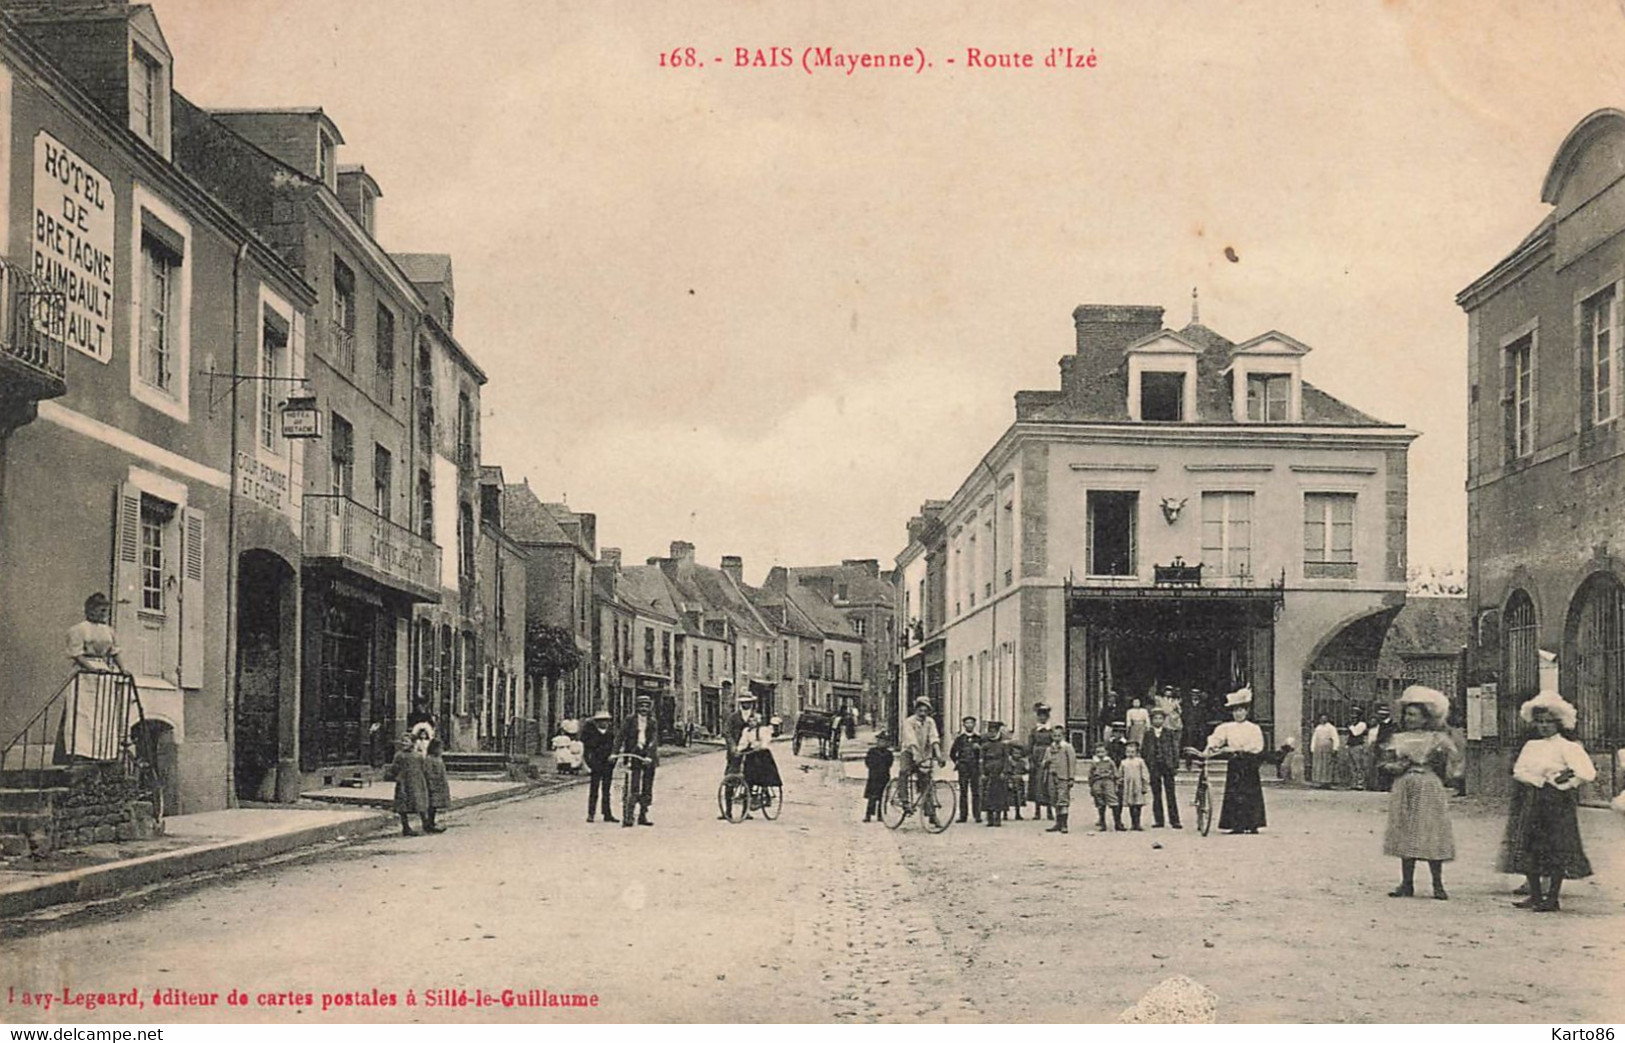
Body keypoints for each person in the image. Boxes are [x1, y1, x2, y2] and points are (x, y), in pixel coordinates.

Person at [1502, 691, 1596, 912]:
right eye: (1540, 722)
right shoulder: (1531, 746)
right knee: (1530, 845)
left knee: (1556, 847)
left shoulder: (1568, 747)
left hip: (1558, 802)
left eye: (1549, 722)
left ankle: (1552, 897)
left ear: (1559, 723)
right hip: (1534, 797)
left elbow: (1586, 772)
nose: (1544, 726)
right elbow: (1519, 770)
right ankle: (1535, 895)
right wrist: (1538, 780)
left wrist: (1564, 782)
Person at [1379, 686, 1462, 899]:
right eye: (1407, 714)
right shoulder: (1398, 739)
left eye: (1414, 715)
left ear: (1426, 718)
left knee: (1431, 830)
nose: (1409, 718)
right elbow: (1384, 764)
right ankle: (1406, 883)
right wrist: (1398, 766)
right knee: (1407, 830)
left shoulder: (1437, 739)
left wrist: (1439, 760)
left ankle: (1438, 883)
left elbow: (1454, 763)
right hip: (1405, 785)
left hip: (1428, 785)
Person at [62, 593, 130, 761]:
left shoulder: (108, 631)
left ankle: (102, 752)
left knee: (103, 712)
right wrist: (91, 668)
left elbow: (115, 651)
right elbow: (77, 654)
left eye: (105, 611)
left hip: (104, 673)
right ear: (90, 610)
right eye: (100, 611)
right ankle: (81, 751)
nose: (103, 615)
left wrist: (123, 669)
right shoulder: (79, 629)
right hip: (85, 673)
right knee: (84, 713)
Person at [1204, 687, 1266, 834]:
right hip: (1235, 763)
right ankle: (1236, 824)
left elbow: (1257, 746)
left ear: (1246, 712)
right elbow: (1216, 739)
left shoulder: (1254, 728)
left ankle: (1252, 824)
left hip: (1249, 762)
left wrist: (1238, 749)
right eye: (1235, 711)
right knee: (1235, 793)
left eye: (1241, 711)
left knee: (1251, 792)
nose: (1238, 714)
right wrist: (1212, 747)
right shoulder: (1227, 727)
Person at [616, 694, 660, 827]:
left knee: (647, 786)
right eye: (641, 706)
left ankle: (643, 814)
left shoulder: (652, 721)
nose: (644, 709)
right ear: (636, 707)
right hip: (633, 754)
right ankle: (629, 815)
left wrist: (649, 755)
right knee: (632, 785)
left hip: (648, 756)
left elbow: (653, 740)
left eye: (647, 706)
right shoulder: (629, 720)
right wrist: (614, 753)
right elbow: (620, 736)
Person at [718, 686, 755, 820]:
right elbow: (727, 732)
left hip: (751, 753)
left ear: (752, 703)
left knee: (749, 781)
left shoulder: (756, 717)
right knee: (730, 780)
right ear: (740, 703)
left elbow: (761, 733)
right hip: (734, 754)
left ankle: (746, 811)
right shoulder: (733, 717)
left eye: (748, 702)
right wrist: (732, 747)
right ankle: (727, 811)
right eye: (744, 702)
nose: (746, 704)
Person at [737, 709, 782, 819]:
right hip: (751, 755)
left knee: (765, 776)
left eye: (754, 720)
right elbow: (743, 742)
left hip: (762, 756)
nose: (752, 722)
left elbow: (765, 742)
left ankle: (766, 795)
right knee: (748, 779)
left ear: (758, 721)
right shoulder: (747, 731)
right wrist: (738, 750)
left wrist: (761, 746)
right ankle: (746, 809)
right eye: (750, 720)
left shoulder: (763, 730)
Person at [385, 731, 431, 837]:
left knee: (420, 803)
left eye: (406, 741)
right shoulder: (399, 755)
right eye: (402, 741)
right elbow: (394, 768)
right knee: (403, 805)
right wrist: (393, 776)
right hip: (404, 782)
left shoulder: (418, 756)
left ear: (413, 743)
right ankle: (406, 827)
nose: (403, 743)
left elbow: (423, 768)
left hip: (416, 782)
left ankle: (426, 823)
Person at [1142, 708, 1182, 829]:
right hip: (1154, 766)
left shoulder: (1169, 733)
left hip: (1167, 765)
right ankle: (1159, 820)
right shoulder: (1148, 734)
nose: (1158, 721)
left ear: (1164, 720)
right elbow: (1144, 750)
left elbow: (1175, 749)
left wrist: (1175, 764)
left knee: (1171, 793)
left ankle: (1175, 820)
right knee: (1156, 793)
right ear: (1151, 720)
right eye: (1155, 718)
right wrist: (1147, 765)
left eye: (1160, 718)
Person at [898, 698, 943, 803]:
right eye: (920, 710)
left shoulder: (930, 722)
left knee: (926, 780)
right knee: (904, 771)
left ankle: (930, 813)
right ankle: (903, 798)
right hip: (909, 752)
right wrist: (916, 755)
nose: (923, 714)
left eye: (925, 711)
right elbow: (911, 739)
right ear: (916, 710)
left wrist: (939, 755)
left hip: (924, 753)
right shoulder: (909, 722)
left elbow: (934, 738)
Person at [581, 707, 618, 823]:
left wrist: (613, 761)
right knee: (594, 790)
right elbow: (587, 751)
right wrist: (588, 765)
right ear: (596, 722)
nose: (604, 723)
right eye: (601, 721)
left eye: (606, 721)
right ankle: (591, 814)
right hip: (596, 764)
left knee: (606, 790)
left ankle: (607, 814)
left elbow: (614, 749)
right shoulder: (591, 734)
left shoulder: (611, 734)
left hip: (608, 765)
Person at [415, 722, 451, 834]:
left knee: (434, 807)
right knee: (431, 806)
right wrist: (432, 783)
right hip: (433, 786)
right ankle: (429, 824)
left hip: (438, 785)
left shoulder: (437, 759)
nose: (441, 750)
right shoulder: (430, 759)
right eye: (440, 748)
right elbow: (429, 773)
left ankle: (431, 822)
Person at [1026, 703, 1060, 820]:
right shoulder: (1034, 731)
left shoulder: (1052, 731)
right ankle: (1037, 811)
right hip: (1036, 758)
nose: (1042, 718)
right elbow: (1030, 746)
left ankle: (1050, 810)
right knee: (1037, 784)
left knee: (1048, 784)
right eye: (1040, 716)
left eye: (1044, 716)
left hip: (1048, 757)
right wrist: (1030, 759)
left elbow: (1056, 743)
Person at [949, 716, 983, 823]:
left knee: (976, 791)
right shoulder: (960, 739)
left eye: (971, 723)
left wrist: (979, 749)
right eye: (967, 723)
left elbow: (983, 753)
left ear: (974, 725)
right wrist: (958, 762)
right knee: (963, 791)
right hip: (963, 768)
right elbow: (952, 753)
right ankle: (963, 816)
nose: (969, 725)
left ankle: (977, 815)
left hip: (975, 768)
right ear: (963, 725)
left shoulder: (979, 739)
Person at [1043, 729, 1078, 834]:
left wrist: (1071, 777)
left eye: (1059, 736)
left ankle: (1064, 824)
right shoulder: (1049, 748)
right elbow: (1043, 763)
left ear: (1063, 736)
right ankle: (1057, 823)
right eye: (1054, 736)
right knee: (1054, 799)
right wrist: (1046, 762)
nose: (1056, 738)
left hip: (1063, 777)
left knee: (1063, 800)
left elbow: (1072, 763)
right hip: (1051, 776)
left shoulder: (1067, 747)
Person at [981, 722, 1011, 827]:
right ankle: (990, 818)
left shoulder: (1003, 745)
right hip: (988, 772)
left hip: (999, 772)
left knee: (999, 795)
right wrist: (983, 773)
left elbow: (1006, 759)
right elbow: (981, 760)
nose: (992, 734)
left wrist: (1004, 771)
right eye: (990, 731)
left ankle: (998, 818)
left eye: (994, 732)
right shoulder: (985, 746)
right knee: (988, 795)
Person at [1087, 743, 1121, 832]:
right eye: (1098, 752)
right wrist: (1091, 786)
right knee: (1100, 801)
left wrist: (1116, 784)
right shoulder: (1094, 763)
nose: (1100, 754)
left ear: (1106, 752)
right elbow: (1090, 775)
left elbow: (1115, 773)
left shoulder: (1110, 762)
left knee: (1113, 800)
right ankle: (1102, 823)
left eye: (1102, 752)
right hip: (1097, 782)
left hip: (1108, 781)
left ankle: (1117, 823)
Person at [1118, 741, 1151, 830]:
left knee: (1138, 804)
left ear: (1136, 753)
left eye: (1132, 752)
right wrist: (1120, 781)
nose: (1130, 754)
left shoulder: (1140, 761)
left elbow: (1145, 773)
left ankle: (1138, 823)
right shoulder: (1124, 762)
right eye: (1128, 752)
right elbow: (1120, 774)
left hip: (1138, 785)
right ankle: (1133, 823)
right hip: (1128, 786)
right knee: (1131, 804)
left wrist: (1145, 784)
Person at [863, 733, 894, 823]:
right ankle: (868, 815)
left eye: (884, 741)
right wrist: (873, 768)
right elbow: (868, 762)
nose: (882, 743)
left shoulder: (888, 753)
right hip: (873, 777)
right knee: (872, 798)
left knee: (882, 797)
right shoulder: (872, 752)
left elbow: (890, 764)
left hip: (884, 777)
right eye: (880, 741)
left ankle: (880, 815)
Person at [1368, 704, 1399, 792]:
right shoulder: (1381, 724)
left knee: (1388, 766)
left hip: (1387, 747)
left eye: (1382, 714)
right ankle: (1383, 785)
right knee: (1381, 766)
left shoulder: (1392, 725)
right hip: (1381, 747)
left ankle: (1388, 785)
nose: (1380, 716)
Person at [1342, 706, 1370, 790]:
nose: (1353, 717)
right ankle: (1353, 783)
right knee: (1351, 765)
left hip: (1357, 746)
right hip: (1351, 745)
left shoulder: (1362, 724)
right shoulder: (1353, 724)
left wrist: (1350, 726)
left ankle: (1360, 783)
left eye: (1355, 715)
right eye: (1352, 715)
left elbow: (1356, 733)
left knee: (1359, 765)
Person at [1310, 713, 1340, 788]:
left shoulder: (1331, 727)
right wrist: (1312, 747)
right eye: (1321, 718)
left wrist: (1335, 748)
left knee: (1326, 764)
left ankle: (1327, 782)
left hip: (1327, 746)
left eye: (1324, 718)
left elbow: (1335, 738)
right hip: (1318, 747)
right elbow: (1314, 738)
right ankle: (1318, 781)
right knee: (1319, 763)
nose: (1323, 720)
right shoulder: (1318, 727)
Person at [1006, 740, 1029, 821]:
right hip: (1011, 780)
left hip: (1019, 781)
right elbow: (1008, 771)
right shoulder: (1009, 762)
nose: (1017, 755)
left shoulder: (1022, 762)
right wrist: (1009, 780)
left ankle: (1018, 812)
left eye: (1019, 754)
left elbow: (1026, 771)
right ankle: (1005, 813)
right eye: (1015, 753)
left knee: (1018, 798)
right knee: (1007, 797)